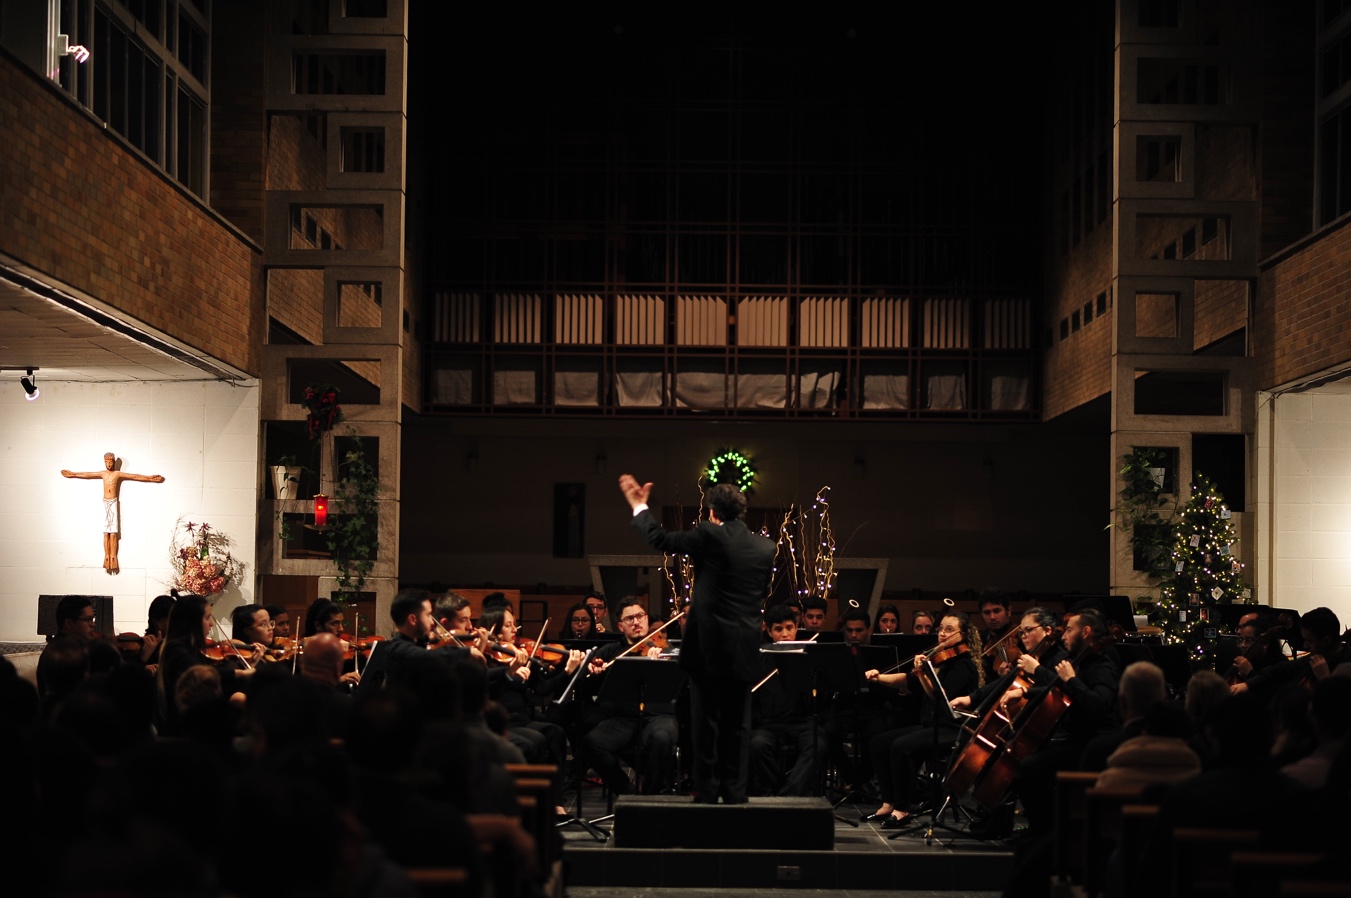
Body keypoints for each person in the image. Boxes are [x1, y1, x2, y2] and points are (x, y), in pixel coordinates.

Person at [621, 475, 776, 804]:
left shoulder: (709, 535)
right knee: (738, 725)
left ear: (712, 513)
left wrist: (639, 506)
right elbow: (758, 594)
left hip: (708, 650)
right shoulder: (766, 547)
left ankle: (706, 793)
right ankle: (735, 794)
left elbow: (660, 538)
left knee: (706, 724)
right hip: (744, 648)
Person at [864, 610, 982, 827]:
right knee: (878, 743)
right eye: (941, 630)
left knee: (902, 746)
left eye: (949, 630)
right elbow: (907, 680)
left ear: (963, 634)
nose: (943, 634)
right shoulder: (942, 660)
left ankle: (902, 809)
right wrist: (879, 677)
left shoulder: (964, 665)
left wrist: (923, 675)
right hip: (932, 725)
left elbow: (939, 699)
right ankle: (888, 802)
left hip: (954, 729)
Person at [580, 598, 681, 796]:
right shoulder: (611, 651)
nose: (636, 622)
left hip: (658, 716)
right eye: (630, 618)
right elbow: (587, 673)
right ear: (620, 625)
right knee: (591, 743)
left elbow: (678, 683)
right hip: (622, 719)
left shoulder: (664, 649)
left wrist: (658, 666)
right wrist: (592, 669)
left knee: (662, 737)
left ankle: (651, 796)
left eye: (640, 616)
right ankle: (627, 792)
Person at [748, 605, 826, 797]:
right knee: (755, 745)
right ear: (768, 630)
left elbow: (818, 697)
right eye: (778, 629)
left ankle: (787, 796)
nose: (785, 634)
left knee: (818, 744)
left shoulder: (806, 655)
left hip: (802, 722)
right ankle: (783, 790)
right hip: (769, 724)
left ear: (796, 627)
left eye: (789, 628)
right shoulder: (760, 657)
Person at [59, 452, 165, 573]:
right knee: (105, 533)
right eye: (106, 462)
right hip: (105, 503)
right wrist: (73, 474)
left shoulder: (117, 474)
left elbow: (134, 476)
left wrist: (150, 478)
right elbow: (87, 474)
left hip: (113, 503)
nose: (108, 464)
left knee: (113, 533)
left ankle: (113, 556)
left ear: (114, 462)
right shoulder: (102, 473)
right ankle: (106, 556)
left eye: (110, 462)